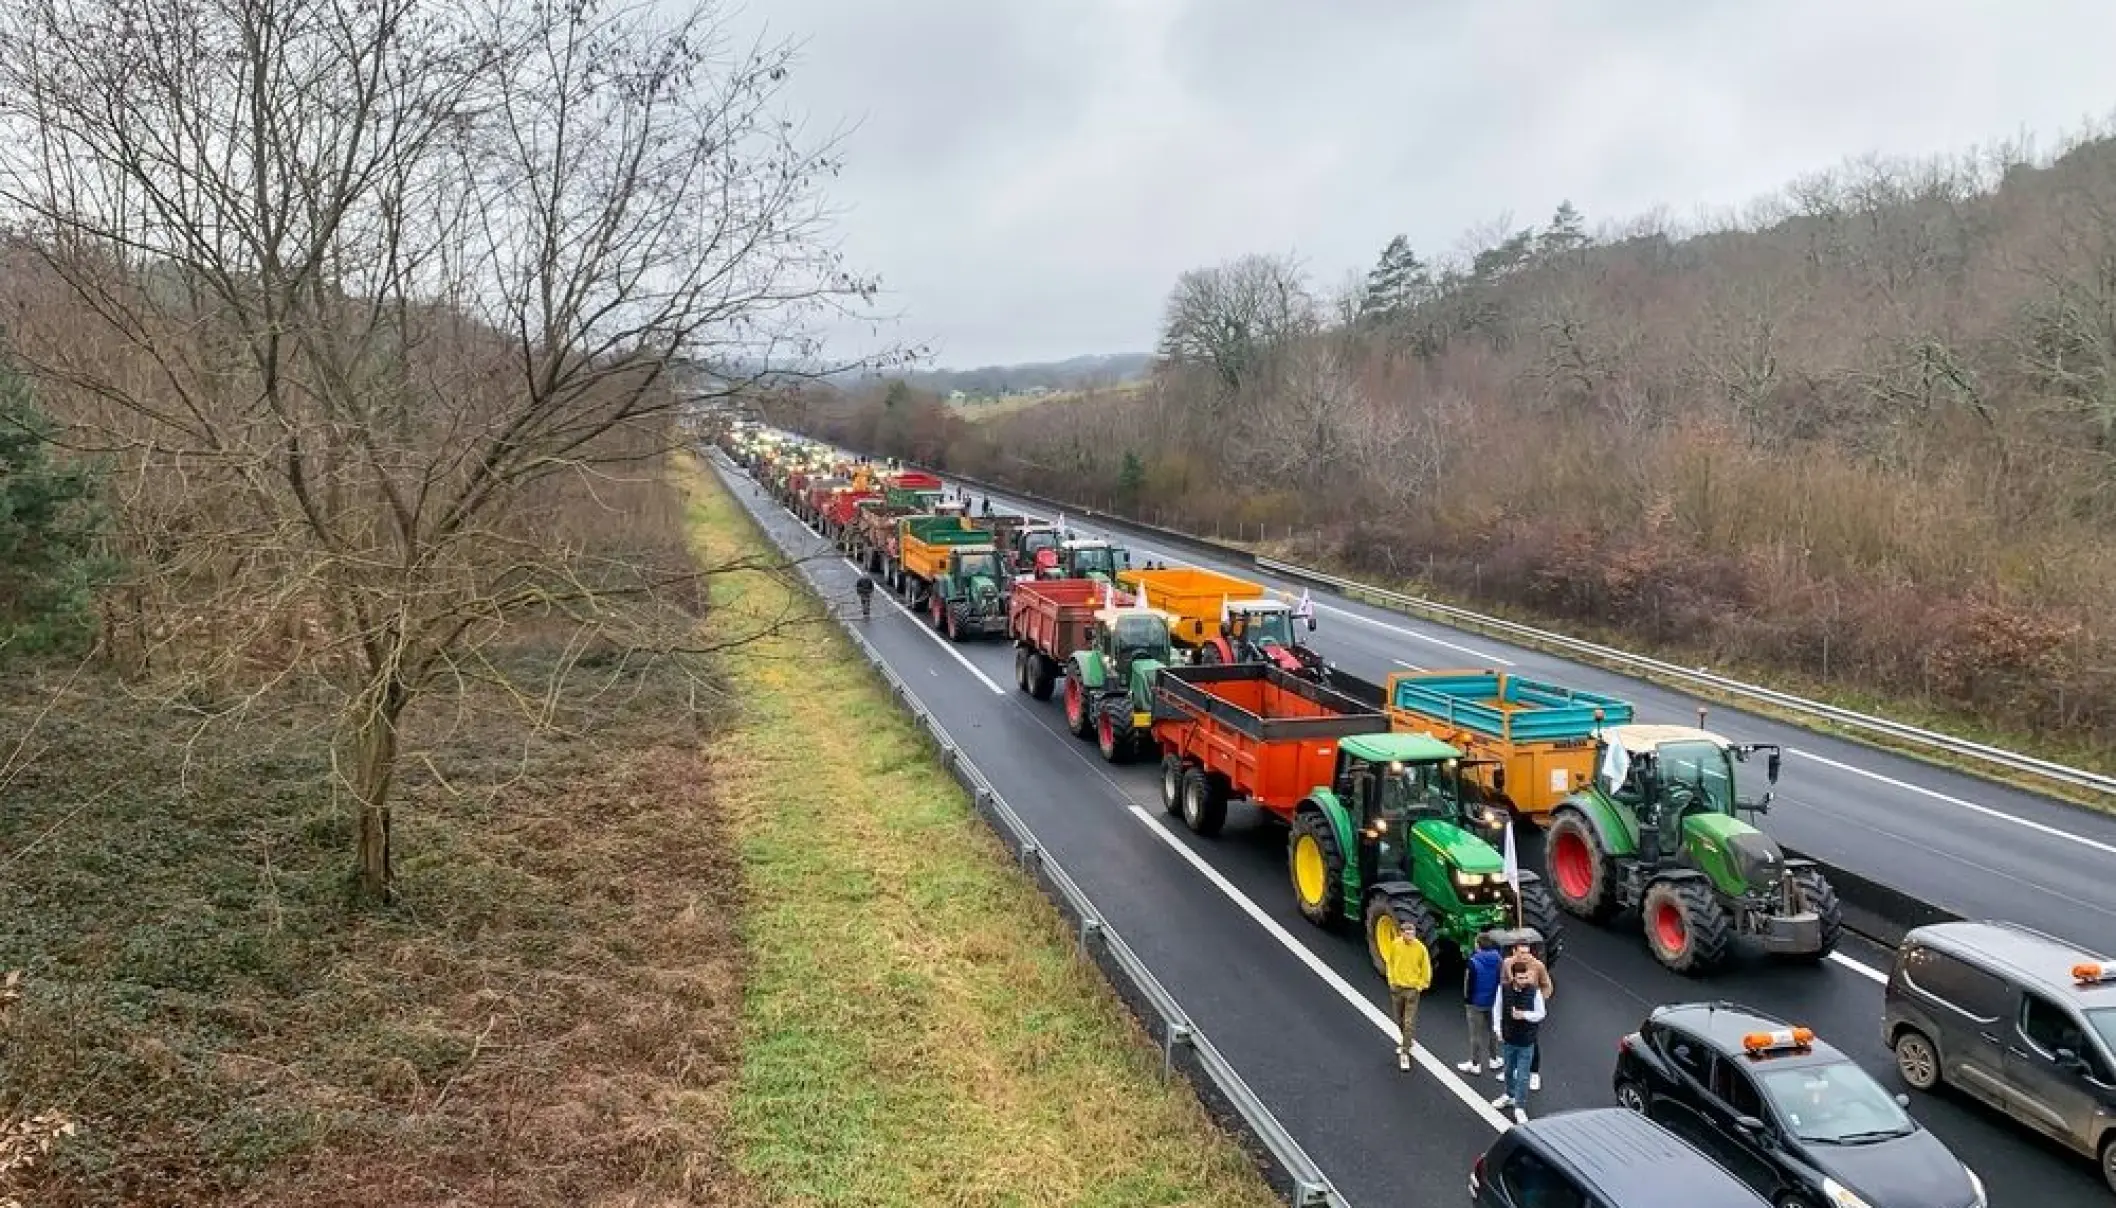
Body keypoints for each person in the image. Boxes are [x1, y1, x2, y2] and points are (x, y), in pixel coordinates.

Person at [1491, 960, 1546, 1123]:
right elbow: (1497, 1009)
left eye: (1525, 977)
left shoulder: (1534, 992)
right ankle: (1509, 1095)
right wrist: (1498, 1030)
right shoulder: (1503, 989)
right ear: (1513, 977)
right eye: (1520, 978)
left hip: (1526, 1040)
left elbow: (1541, 1013)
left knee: (1523, 1075)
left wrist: (1524, 1015)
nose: (1523, 981)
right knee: (1508, 1070)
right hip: (1509, 1037)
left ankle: (1520, 1106)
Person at [1493, 941, 1552, 1092]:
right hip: (1512, 1006)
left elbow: (1547, 985)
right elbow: (1504, 982)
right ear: (1514, 952)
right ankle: (1511, 1069)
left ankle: (1534, 1074)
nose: (1525, 956)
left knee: (1532, 1042)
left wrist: (1538, 1002)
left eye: (1527, 953)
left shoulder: (1538, 966)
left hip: (1530, 1009)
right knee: (1510, 1039)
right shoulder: (1507, 963)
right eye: (1522, 953)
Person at [1377, 922, 1432, 1072]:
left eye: (1412, 933)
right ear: (1401, 933)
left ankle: (1404, 1052)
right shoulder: (1395, 945)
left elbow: (1426, 969)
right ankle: (1407, 1041)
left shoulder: (1420, 949)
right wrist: (1391, 981)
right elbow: (1391, 963)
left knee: (1409, 1022)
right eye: (1407, 933)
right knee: (1399, 1019)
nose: (1410, 936)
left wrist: (1420, 986)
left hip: (1412, 990)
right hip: (1397, 989)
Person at [1457, 933, 1503, 1076]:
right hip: (1492, 1001)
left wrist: (1467, 1000)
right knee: (1492, 1031)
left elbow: (1468, 983)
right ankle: (1494, 1059)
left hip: (1475, 1003)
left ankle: (1475, 1063)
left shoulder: (1473, 962)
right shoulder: (1499, 960)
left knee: (1475, 1035)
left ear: (1478, 945)